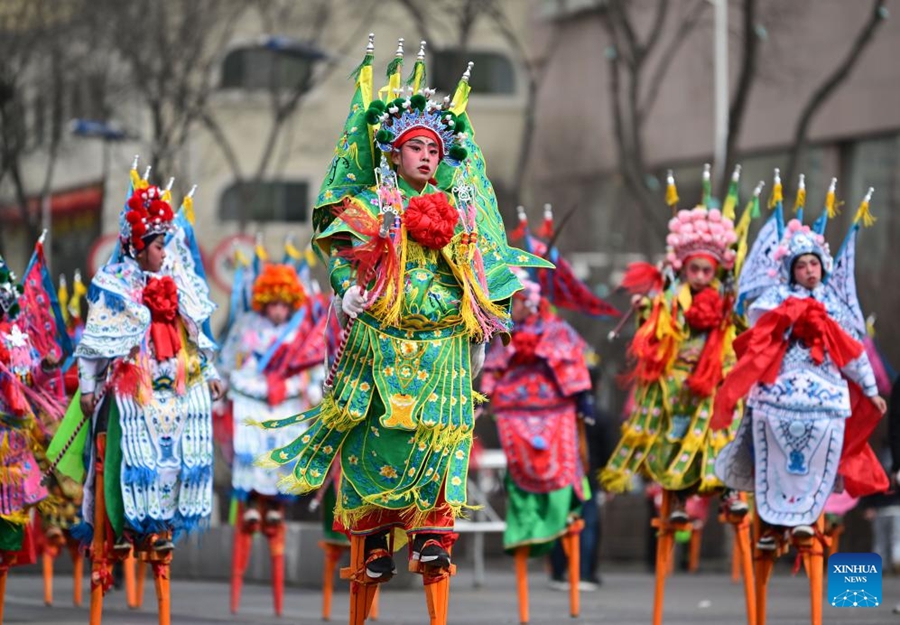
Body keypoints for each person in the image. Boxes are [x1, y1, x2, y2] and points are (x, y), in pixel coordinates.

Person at [254, 35, 548, 585]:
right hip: (381, 341)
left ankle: (433, 537)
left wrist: (481, 315)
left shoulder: (458, 207)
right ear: (394, 151)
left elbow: (481, 269)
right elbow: (344, 257)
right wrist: (347, 293)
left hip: (441, 346)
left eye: (435, 150)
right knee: (372, 437)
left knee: (441, 437)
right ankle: (373, 544)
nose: (428, 156)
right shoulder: (370, 204)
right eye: (417, 147)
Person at [65, 176, 223, 560]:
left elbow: (195, 333)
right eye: (156, 245)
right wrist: (88, 390)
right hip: (132, 385)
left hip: (175, 381)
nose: (163, 251)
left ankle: (162, 525)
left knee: (196, 415)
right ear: (137, 248)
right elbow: (95, 345)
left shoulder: (178, 278)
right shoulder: (114, 283)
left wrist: (212, 374)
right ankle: (128, 525)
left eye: (165, 244)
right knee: (128, 422)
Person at [713, 216, 887, 548]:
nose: (809, 270)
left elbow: (850, 351)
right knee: (767, 451)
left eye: (814, 263)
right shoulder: (774, 303)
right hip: (776, 391)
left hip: (825, 395)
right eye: (801, 265)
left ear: (823, 267)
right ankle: (771, 527)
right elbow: (758, 343)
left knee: (818, 454)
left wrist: (869, 389)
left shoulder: (833, 306)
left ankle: (805, 520)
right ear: (790, 270)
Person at [601, 173, 744, 522]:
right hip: (674, 387)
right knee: (674, 443)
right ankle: (678, 502)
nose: (698, 275)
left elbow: (737, 336)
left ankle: (729, 494)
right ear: (684, 268)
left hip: (711, 383)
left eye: (705, 269)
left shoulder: (726, 302)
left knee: (719, 436)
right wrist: (645, 308)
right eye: (693, 268)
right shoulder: (669, 301)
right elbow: (652, 332)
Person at [479, 270, 592, 586]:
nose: (511, 308)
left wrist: (581, 399)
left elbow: (575, 371)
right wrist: (483, 399)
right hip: (513, 415)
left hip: (556, 413)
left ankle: (563, 525)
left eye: (514, 301)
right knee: (522, 475)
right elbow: (491, 371)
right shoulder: (502, 333)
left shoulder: (556, 329)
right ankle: (526, 530)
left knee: (561, 473)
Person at [219, 262, 324, 527]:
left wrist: (313, 387)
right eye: (273, 303)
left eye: (283, 304)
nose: (278, 310)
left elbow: (313, 362)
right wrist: (221, 384)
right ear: (264, 301)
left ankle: (279, 503)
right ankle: (252, 501)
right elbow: (229, 357)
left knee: (284, 449)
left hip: (288, 398)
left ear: (291, 303)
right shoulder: (247, 324)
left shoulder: (302, 329)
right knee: (251, 448)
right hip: (253, 395)